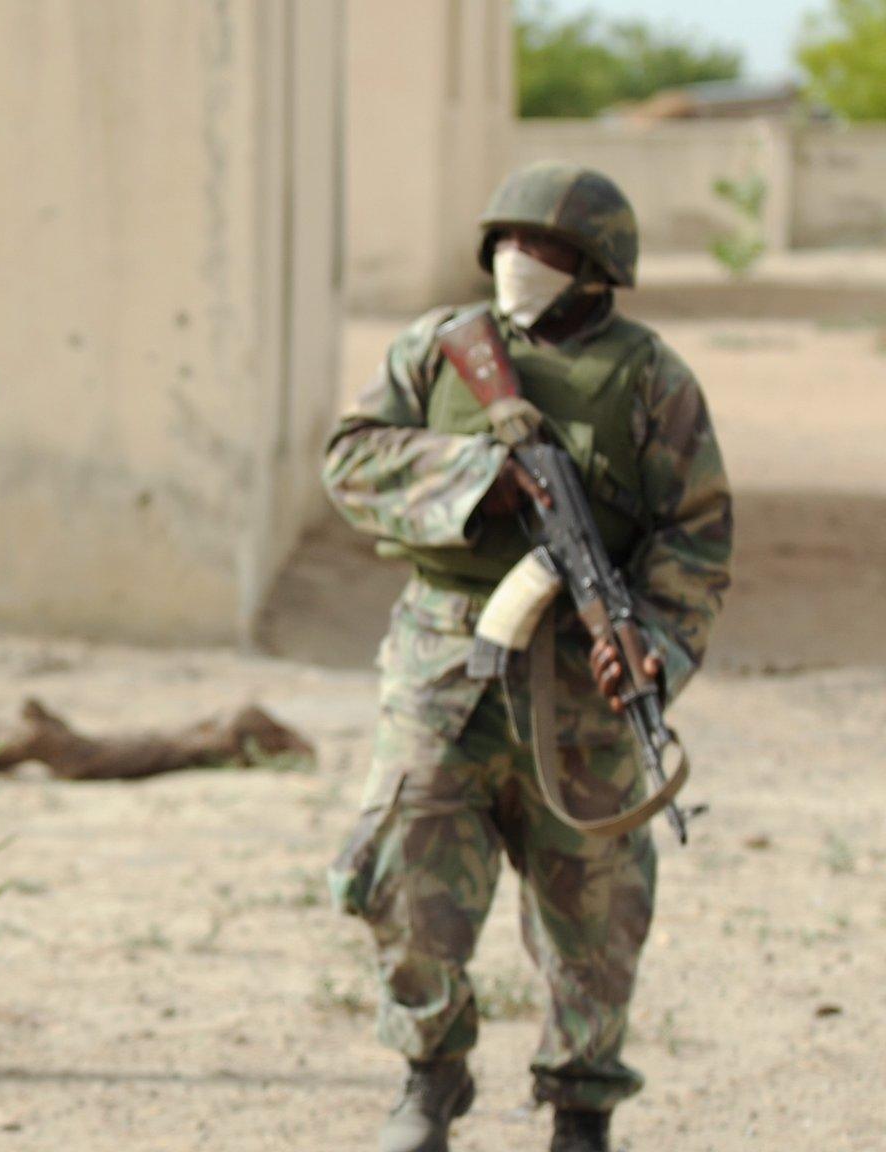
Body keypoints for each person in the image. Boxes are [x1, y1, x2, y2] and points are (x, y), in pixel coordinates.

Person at [321, 162, 732, 1152]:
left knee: (594, 911)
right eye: (505, 243)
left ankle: (581, 1104)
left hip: (584, 686)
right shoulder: (436, 348)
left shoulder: (651, 380)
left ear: (593, 269)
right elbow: (347, 461)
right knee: (403, 875)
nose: (518, 262)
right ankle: (429, 1074)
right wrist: (478, 475)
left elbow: (695, 531)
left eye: (543, 250)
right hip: (443, 665)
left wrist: (651, 643)